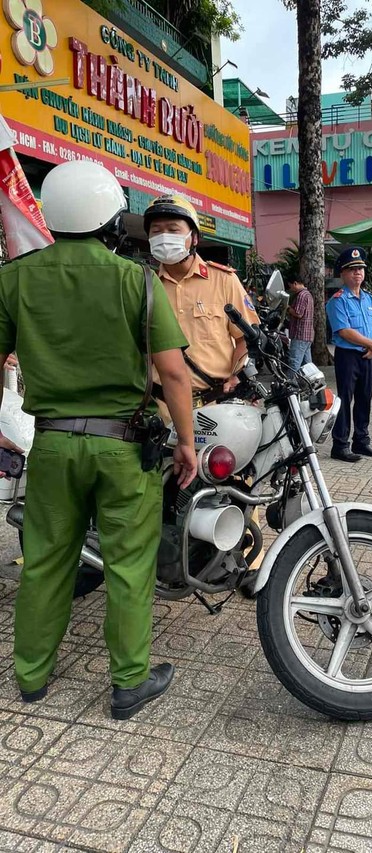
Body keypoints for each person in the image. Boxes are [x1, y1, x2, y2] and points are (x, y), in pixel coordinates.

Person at [0, 161, 197, 720]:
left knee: (44, 560)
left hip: (53, 445)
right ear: (110, 219)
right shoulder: (137, 280)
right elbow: (175, 374)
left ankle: (31, 676)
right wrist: (186, 442)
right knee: (129, 564)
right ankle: (129, 682)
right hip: (122, 446)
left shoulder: (12, 278)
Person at [143, 195, 257, 405]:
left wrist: (235, 375)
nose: (164, 236)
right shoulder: (144, 285)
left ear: (194, 237)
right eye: (156, 231)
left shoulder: (224, 280)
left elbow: (246, 338)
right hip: (161, 406)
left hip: (215, 404)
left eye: (173, 229)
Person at [326, 247, 372, 463]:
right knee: (345, 399)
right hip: (348, 357)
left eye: (360, 268)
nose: (357, 272)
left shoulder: (369, 299)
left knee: (364, 399)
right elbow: (344, 331)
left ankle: (362, 441)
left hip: (369, 356)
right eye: (352, 269)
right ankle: (340, 445)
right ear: (342, 274)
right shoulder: (337, 301)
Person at [286, 274, 314, 376]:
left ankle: (291, 386)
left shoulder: (302, 295)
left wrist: (287, 308)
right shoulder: (308, 294)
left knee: (294, 363)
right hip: (307, 335)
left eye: (291, 286)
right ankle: (312, 386)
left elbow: (298, 313)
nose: (291, 289)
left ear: (295, 283)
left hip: (300, 334)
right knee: (307, 365)